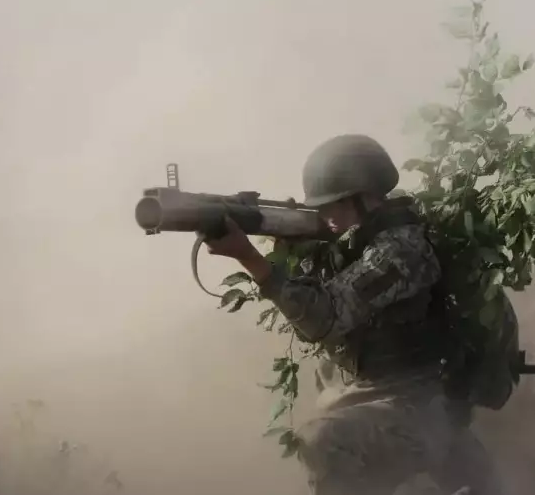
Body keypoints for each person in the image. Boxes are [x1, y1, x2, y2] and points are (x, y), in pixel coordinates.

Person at [201, 134, 502, 495]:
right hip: (372, 401)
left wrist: (251, 259)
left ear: (364, 198)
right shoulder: (350, 246)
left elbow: (324, 317)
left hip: (419, 408)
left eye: (333, 205)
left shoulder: (402, 250)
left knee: (323, 440)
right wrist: (288, 246)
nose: (325, 216)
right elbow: (311, 306)